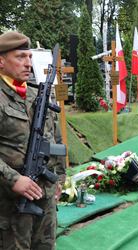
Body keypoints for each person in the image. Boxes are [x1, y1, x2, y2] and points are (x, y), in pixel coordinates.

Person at [0, 31, 66, 249]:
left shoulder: (36, 95)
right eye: (20, 57)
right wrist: (14, 179)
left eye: (30, 57)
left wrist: (60, 179)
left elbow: (55, 139)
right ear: (1, 60)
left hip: (45, 199)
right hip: (10, 206)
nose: (28, 63)